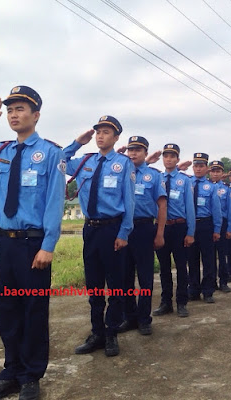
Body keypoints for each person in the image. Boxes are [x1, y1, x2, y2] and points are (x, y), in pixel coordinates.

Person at [0, 86, 66, 400]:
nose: (13, 115)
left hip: (34, 245)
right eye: (9, 110)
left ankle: (31, 377)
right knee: (6, 308)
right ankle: (11, 372)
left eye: (20, 109)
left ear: (35, 115)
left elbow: (54, 202)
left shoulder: (50, 153)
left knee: (33, 309)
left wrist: (48, 245)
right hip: (4, 243)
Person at [64, 115, 135, 357]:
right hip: (90, 230)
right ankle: (97, 333)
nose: (100, 136)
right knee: (94, 285)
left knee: (115, 285)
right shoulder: (84, 162)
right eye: (98, 132)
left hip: (112, 229)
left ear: (116, 138)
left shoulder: (123, 164)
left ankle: (112, 333)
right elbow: (58, 163)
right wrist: (76, 143)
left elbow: (129, 201)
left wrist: (124, 232)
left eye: (106, 132)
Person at [118, 136, 167, 335]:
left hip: (145, 229)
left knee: (145, 277)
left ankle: (144, 318)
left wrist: (160, 233)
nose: (133, 153)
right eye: (130, 150)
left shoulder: (154, 176)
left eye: (138, 150)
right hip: (123, 230)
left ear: (146, 153)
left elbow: (162, 205)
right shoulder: (121, 171)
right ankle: (129, 317)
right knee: (124, 276)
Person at [153, 144, 195, 317]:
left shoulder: (184, 180)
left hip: (179, 227)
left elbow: (190, 208)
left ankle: (182, 302)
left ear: (177, 159)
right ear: (163, 159)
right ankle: (166, 302)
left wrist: (190, 232)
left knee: (181, 267)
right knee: (164, 268)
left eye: (172, 156)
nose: (168, 159)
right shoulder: (156, 178)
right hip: (161, 228)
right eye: (166, 156)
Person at [188, 153, 222, 303]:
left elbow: (216, 210)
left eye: (201, 166)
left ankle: (208, 291)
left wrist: (217, 229)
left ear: (206, 168)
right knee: (192, 259)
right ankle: (193, 290)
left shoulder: (211, 187)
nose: (198, 168)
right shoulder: (187, 183)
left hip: (205, 224)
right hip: (190, 225)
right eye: (196, 166)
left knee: (208, 259)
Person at [209, 160, 231, 292]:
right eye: (213, 171)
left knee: (222, 254)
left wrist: (229, 228)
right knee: (210, 255)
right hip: (209, 223)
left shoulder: (226, 188)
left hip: (223, 224)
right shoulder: (205, 186)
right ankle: (211, 282)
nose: (215, 173)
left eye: (218, 171)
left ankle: (223, 282)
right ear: (209, 172)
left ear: (222, 173)